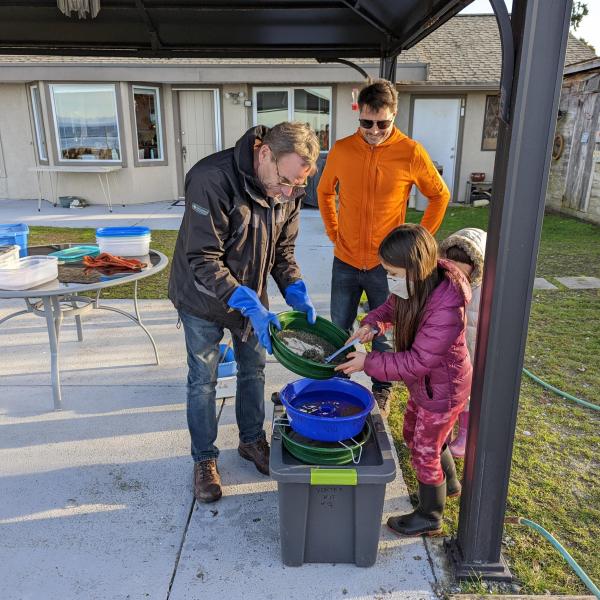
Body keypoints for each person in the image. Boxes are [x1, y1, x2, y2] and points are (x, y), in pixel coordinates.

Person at [169, 122, 320, 503]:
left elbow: (283, 252)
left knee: (254, 369)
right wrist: (248, 303)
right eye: (285, 182)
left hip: (250, 295)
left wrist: (295, 289)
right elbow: (202, 259)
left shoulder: (289, 188)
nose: (288, 193)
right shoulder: (211, 179)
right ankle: (204, 458)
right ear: (264, 153)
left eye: (297, 187)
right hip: (201, 296)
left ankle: (251, 440)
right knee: (202, 379)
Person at [317, 79, 450, 416]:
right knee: (340, 326)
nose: (374, 131)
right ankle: (342, 383)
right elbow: (324, 192)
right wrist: (334, 232)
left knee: (385, 330)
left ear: (395, 115)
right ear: (358, 115)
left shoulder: (411, 152)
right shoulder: (342, 149)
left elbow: (439, 195)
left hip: (388, 265)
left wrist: (416, 246)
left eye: (383, 123)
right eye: (366, 123)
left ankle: (382, 391)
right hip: (345, 259)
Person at [335, 224, 471, 536]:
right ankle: (448, 484)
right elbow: (390, 308)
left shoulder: (446, 307)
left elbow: (418, 360)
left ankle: (430, 515)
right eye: (387, 272)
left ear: (416, 267)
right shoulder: (416, 285)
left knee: (424, 447)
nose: (389, 279)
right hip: (428, 387)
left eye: (393, 272)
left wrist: (367, 362)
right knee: (416, 434)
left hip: (442, 391)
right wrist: (372, 324)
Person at [439, 228, 487, 458]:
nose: (455, 271)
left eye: (462, 266)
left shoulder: (485, 288)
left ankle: (467, 432)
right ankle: (446, 428)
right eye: (450, 263)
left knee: (468, 391)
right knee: (450, 388)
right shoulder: (443, 280)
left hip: (474, 346)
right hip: (451, 347)